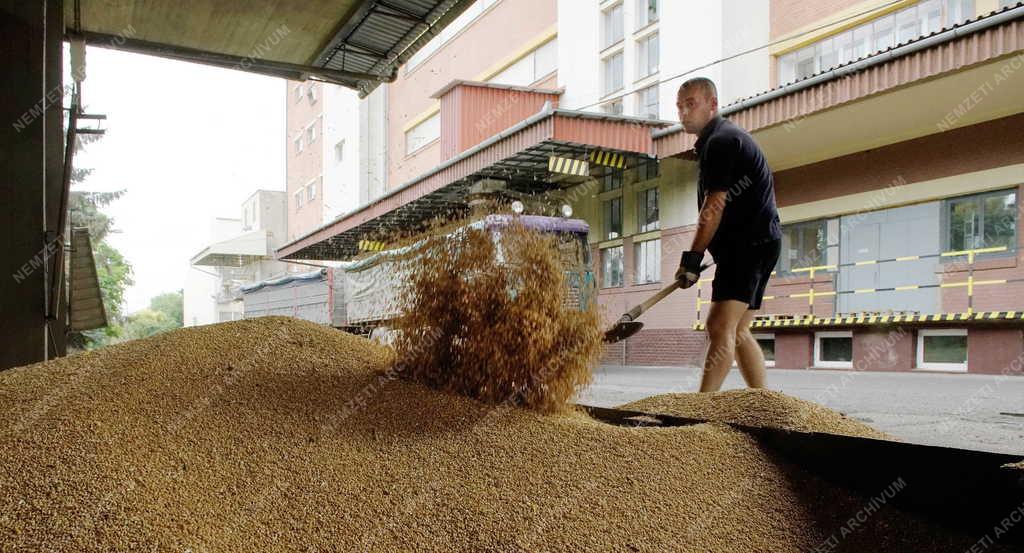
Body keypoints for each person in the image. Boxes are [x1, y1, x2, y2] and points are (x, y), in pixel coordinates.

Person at [673, 77, 781, 393]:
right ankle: (762, 402)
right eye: (680, 106)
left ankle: (700, 413)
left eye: (691, 104)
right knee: (739, 330)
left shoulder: (720, 141)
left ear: (713, 104)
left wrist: (692, 259)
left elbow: (714, 205)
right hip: (762, 242)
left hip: (747, 246)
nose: (683, 112)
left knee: (720, 326)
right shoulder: (722, 138)